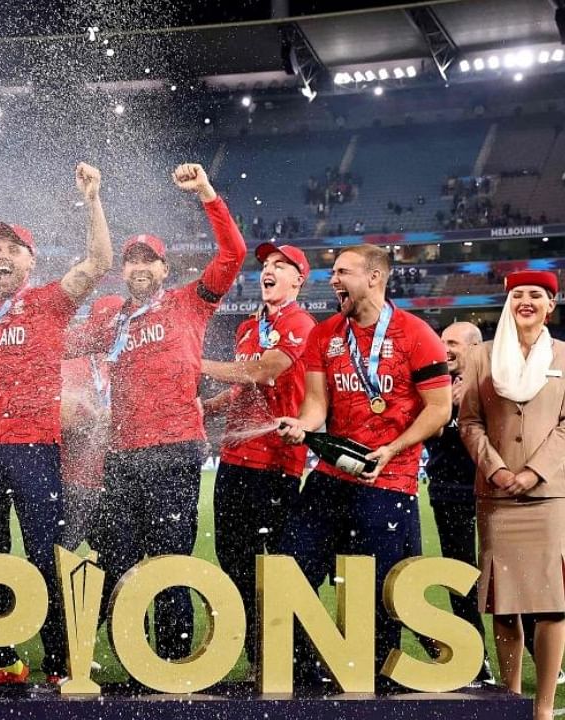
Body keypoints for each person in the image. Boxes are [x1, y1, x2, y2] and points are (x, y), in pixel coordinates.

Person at [67, 163, 246, 662]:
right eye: (131, 261)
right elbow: (59, 344)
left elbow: (233, 255)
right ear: (123, 271)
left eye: (150, 260)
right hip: (122, 457)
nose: (139, 267)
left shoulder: (190, 303)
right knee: (116, 560)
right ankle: (123, 659)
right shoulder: (110, 317)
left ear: (166, 270)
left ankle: (171, 665)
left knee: (170, 564)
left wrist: (208, 193)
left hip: (173, 454)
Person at [0, 162, 112, 685]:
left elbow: (99, 261)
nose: (2, 254)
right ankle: (1, 659)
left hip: (35, 449)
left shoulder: (49, 303)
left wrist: (92, 201)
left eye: (13, 248)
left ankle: (65, 660)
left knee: (49, 554)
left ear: (30, 261)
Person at [276, 244, 451, 689]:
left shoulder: (416, 335)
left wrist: (393, 448)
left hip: (388, 480)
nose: (333, 280)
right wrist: (303, 425)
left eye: (342, 272)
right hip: (333, 475)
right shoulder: (325, 335)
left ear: (374, 277)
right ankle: (299, 671)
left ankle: (373, 681)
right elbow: (317, 404)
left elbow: (439, 410)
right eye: (332, 273)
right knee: (291, 571)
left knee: (379, 589)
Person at [200, 242, 315, 672]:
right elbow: (242, 386)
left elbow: (262, 371)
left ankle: (291, 656)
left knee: (272, 568)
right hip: (235, 459)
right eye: (267, 264)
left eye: (281, 266)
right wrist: (208, 407)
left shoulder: (301, 322)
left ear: (298, 280)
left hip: (274, 465)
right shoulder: (249, 327)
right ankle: (258, 658)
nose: (269, 270)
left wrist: (194, 361)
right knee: (234, 562)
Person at [459, 270, 565, 720]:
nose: (526, 300)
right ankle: (511, 700)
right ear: (508, 302)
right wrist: (498, 469)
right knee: (504, 604)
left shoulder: (564, 355)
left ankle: (542, 708)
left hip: (549, 496)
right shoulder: (481, 356)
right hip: (497, 495)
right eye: (518, 294)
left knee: (551, 605)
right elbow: (469, 422)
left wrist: (536, 471)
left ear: (550, 305)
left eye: (535, 295)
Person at [422, 321, 492, 684]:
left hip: (496, 492)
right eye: (440, 342)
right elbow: (426, 431)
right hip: (448, 491)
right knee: (459, 577)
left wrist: (477, 399)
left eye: (452, 342)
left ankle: (538, 654)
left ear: (475, 348)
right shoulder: (434, 388)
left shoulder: (496, 383)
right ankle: (475, 661)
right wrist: (445, 407)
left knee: (507, 576)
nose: (443, 348)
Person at [58, 295, 124, 552]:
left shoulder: (132, 356)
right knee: (60, 560)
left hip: (118, 482)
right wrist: (93, 417)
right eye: (107, 321)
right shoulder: (71, 359)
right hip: (76, 482)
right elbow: (60, 416)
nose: (112, 328)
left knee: (118, 563)